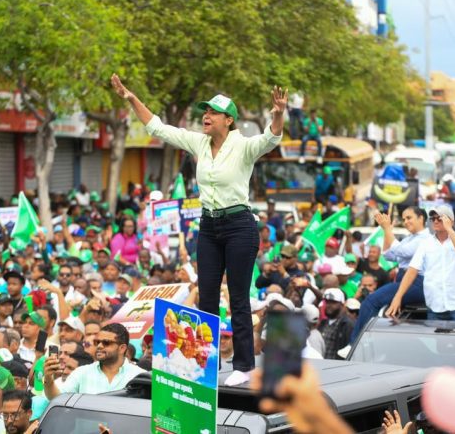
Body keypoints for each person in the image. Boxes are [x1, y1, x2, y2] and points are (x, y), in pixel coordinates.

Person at [111, 74, 286, 387]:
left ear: (228, 120)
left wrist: (278, 115)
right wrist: (131, 98)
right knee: (206, 299)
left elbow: (271, 138)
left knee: (238, 298)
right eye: (205, 111)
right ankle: (206, 364)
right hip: (208, 226)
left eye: (213, 113)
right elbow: (158, 127)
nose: (206, 116)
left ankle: (244, 365)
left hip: (239, 225)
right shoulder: (198, 142)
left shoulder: (244, 146)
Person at [350, 207, 429, 343]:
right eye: (404, 219)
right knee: (379, 307)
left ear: (421, 218)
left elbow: (402, 251)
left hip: (416, 282)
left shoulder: (425, 238)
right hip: (403, 280)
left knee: (370, 302)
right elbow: (388, 255)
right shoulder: (409, 238)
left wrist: (388, 229)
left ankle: (356, 343)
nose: (405, 222)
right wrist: (385, 230)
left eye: (409, 218)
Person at [386, 205, 455, 321]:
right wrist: (398, 297)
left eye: (439, 218)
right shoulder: (426, 243)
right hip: (434, 305)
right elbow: (412, 270)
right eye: (433, 219)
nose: (435, 221)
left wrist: (450, 229)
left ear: (450, 221)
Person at [43, 323, 145, 398]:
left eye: (106, 343)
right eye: (97, 342)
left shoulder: (140, 376)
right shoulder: (82, 372)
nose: (99, 346)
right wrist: (48, 379)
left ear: (122, 348)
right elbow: (58, 398)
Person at [316, 288, 353, 360]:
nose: (329, 305)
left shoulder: (347, 325)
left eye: (333, 302)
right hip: (320, 364)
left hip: (335, 365)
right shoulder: (323, 322)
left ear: (342, 304)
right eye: (327, 302)